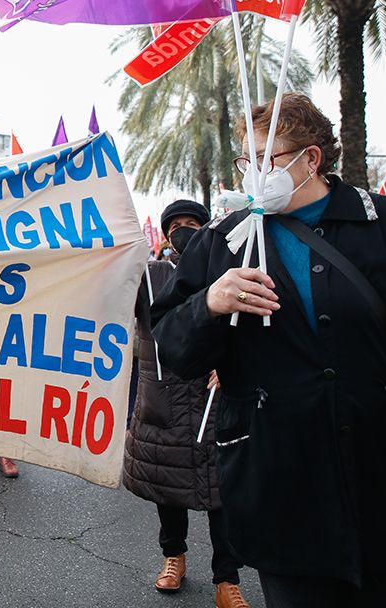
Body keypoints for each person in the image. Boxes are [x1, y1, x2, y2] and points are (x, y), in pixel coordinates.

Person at [152, 93, 386, 607]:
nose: (254, 174)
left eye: (270, 159)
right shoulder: (224, 240)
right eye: (246, 161)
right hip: (278, 481)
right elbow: (172, 349)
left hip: (378, 473)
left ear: (312, 159)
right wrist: (209, 304)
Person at [124, 199, 249, 608]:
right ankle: (173, 558)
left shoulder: (227, 271)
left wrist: (231, 363)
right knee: (169, 491)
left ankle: (227, 580)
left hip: (216, 401)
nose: (183, 230)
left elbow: (246, 328)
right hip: (165, 403)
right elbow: (117, 296)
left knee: (222, 496)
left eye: (192, 223)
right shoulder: (151, 273)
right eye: (175, 224)